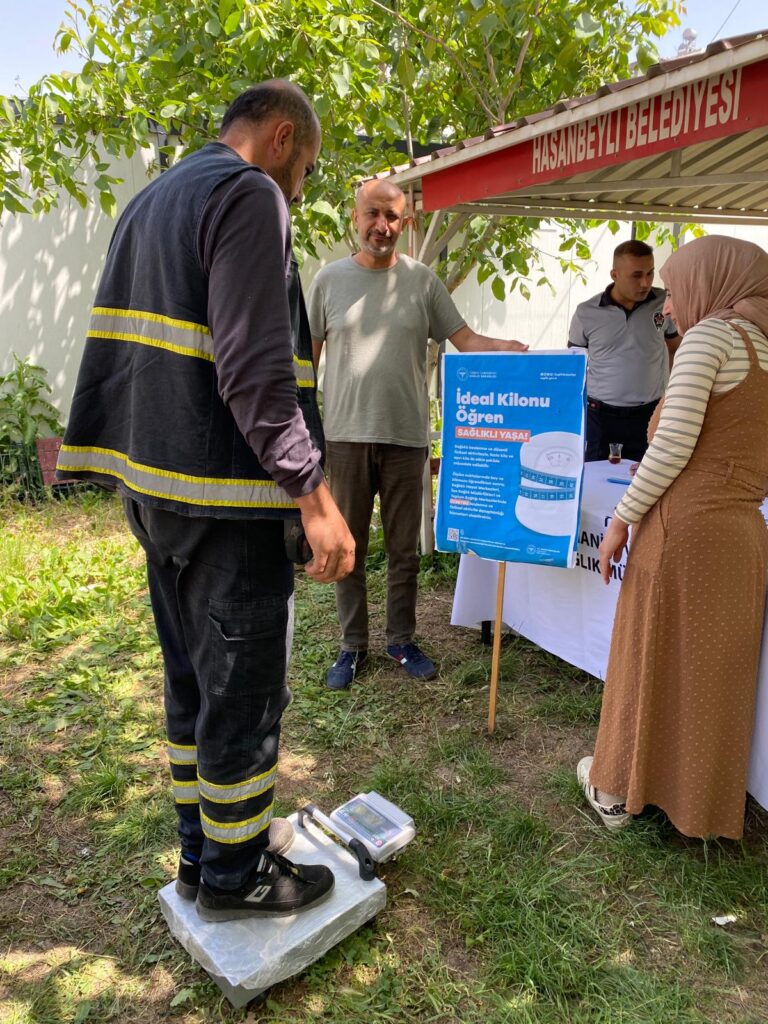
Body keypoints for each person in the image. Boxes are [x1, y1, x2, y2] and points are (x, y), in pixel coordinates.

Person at [56, 82, 356, 920]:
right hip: (230, 503)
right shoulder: (249, 193)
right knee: (244, 696)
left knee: (191, 684)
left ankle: (202, 855)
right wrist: (313, 496)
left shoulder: (152, 200)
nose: (301, 188)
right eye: (307, 169)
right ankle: (236, 876)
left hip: (157, 496)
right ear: (281, 137)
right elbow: (256, 367)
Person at [577, 234, 768, 839]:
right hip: (743, 533)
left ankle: (615, 789)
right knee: (711, 673)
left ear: (713, 282)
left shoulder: (711, 337)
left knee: (645, 655)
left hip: (682, 530)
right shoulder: (763, 345)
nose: (671, 305)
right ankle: (698, 808)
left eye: (679, 290)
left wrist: (620, 519)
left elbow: (672, 447)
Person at [308, 179, 527, 690]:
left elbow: (466, 339)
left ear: (405, 223)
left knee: (404, 549)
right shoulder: (328, 282)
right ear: (355, 218)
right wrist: (303, 430)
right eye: (372, 214)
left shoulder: (422, 281)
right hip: (345, 437)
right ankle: (352, 646)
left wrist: (512, 350)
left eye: (392, 217)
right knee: (347, 546)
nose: (381, 226)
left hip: (407, 438)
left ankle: (401, 640)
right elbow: (307, 361)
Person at [568, 239, 680, 462]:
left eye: (650, 273)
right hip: (599, 416)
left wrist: (675, 396)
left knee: (646, 476)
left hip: (649, 414)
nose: (645, 283)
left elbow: (677, 348)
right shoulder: (586, 313)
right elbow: (574, 366)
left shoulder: (664, 303)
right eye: (636, 275)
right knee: (596, 474)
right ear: (614, 275)